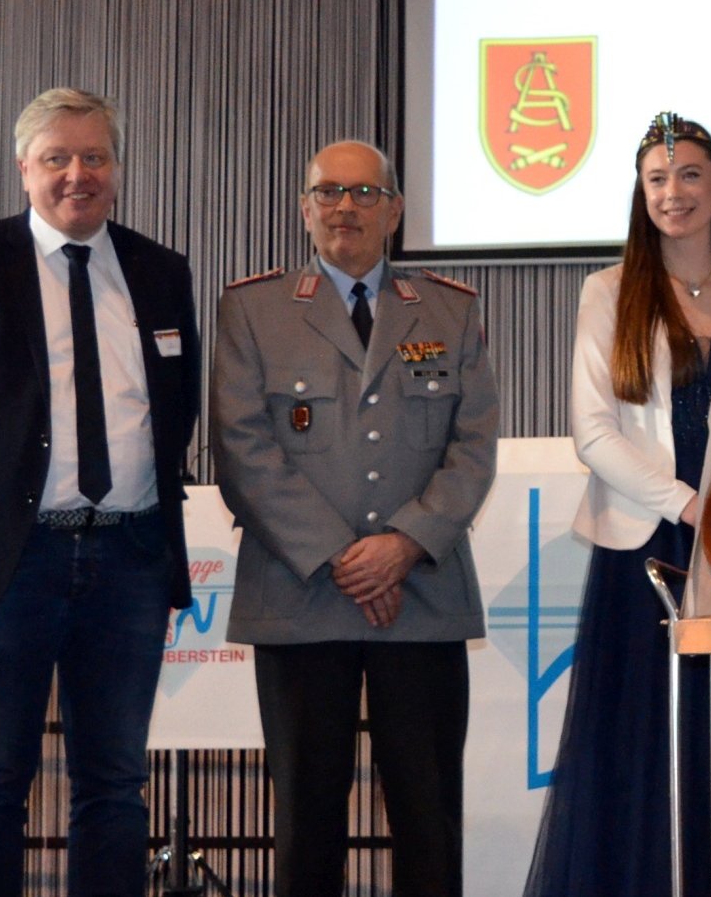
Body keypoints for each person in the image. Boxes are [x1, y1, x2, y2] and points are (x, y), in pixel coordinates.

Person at [0, 87, 200, 895]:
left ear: (116, 168)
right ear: (24, 168)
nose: (77, 174)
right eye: (57, 157)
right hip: (8, 564)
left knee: (116, 786)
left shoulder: (161, 271)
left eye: (94, 156)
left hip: (130, 558)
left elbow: (177, 406)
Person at [523, 112, 711, 897]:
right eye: (656, 179)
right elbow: (593, 433)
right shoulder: (608, 292)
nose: (672, 192)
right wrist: (690, 507)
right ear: (640, 194)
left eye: (688, 176)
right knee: (641, 748)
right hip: (648, 550)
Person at [210, 139, 499, 896]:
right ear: (305, 209)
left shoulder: (450, 309)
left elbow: (472, 448)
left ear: (395, 211)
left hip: (422, 596)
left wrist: (403, 545)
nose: (346, 207)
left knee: (429, 822)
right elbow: (242, 449)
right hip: (301, 595)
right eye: (328, 192)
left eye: (365, 193)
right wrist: (346, 557)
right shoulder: (253, 310)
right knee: (307, 826)